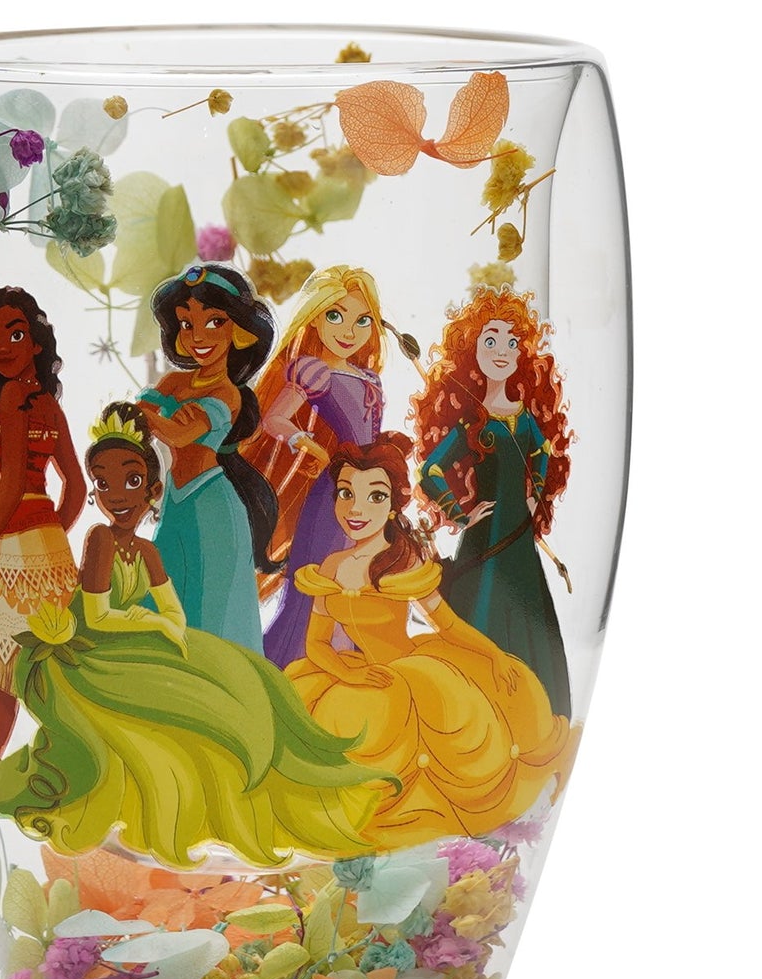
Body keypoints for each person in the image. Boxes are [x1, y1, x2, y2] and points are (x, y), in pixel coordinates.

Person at [0, 404, 392, 869]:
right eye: (102, 484)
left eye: (130, 481)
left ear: (152, 489)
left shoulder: (148, 550)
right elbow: (99, 616)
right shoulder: (100, 541)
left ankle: (273, 780)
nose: (116, 496)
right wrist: (154, 626)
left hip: (125, 640)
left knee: (243, 673)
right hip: (86, 650)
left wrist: (167, 627)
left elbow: (169, 608)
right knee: (179, 696)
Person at [284, 434, 576, 848]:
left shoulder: (404, 561)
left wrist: (492, 654)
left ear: (393, 504)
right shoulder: (331, 567)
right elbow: (317, 643)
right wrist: (346, 674)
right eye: (346, 493)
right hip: (357, 675)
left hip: (414, 675)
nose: (356, 509)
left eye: (374, 496)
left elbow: (448, 626)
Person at [409, 288, 572, 717]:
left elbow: (543, 451)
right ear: (473, 352)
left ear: (522, 354)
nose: (502, 350)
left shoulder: (524, 416)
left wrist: (535, 495)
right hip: (485, 538)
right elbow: (429, 471)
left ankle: (535, 714)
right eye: (491, 341)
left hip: (519, 537)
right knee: (479, 617)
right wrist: (461, 514)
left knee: (527, 613)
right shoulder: (472, 421)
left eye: (511, 342)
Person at [0, 287, 82, 766]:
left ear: (36, 343)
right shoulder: (48, 403)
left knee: (5, 663)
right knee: (53, 656)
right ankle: (62, 754)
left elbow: (10, 483)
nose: (2, 345)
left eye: (15, 334)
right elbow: (75, 487)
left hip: (15, 540)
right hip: (49, 544)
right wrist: (51, 533)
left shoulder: (11, 396)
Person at [244, 265, 391, 668]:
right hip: (333, 491)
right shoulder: (315, 371)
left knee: (361, 579)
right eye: (335, 316)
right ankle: (295, 663)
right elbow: (274, 419)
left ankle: (349, 661)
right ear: (315, 317)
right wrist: (311, 447)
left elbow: (372, 437)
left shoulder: (370, 378)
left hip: (369, 494)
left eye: (362, 320)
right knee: (320, 577)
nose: (349, 331)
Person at [136, 263, 281, 653]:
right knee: (163, 591)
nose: (199, 336)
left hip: (212, 506)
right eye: (187, 324)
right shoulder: (174, 381)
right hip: (176, 501)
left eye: (215, 322)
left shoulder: (227, 394)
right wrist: (149, 418)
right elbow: (139, 420)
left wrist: (152, 417)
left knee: (210, 611)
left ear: (239, 331)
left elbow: (177, 434)